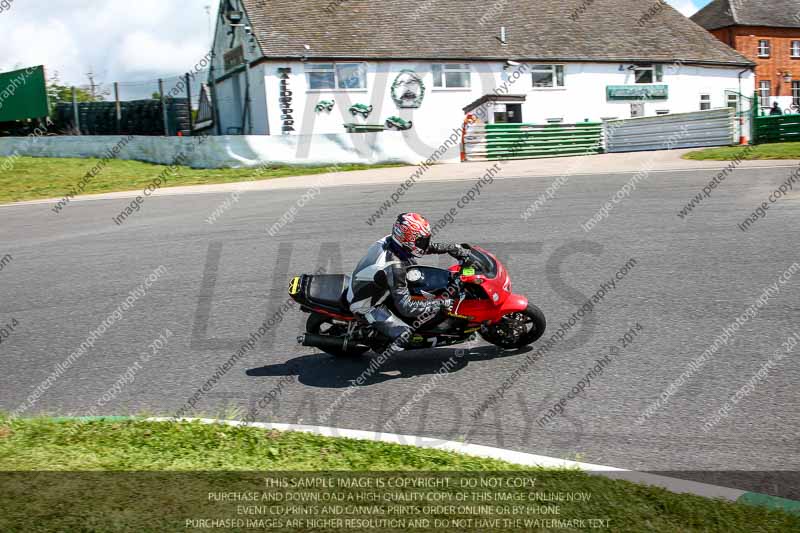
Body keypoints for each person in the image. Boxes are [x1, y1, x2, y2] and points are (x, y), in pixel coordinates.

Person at [347, 213, 471, 353]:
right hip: (365, 304)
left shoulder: (393, 241)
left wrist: (451, 248)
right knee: (405, 336)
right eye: (421, 241)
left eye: (424, 240)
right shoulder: (395, 266)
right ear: (407, 240)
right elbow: (407, 307)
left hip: (376, 284)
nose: (424, 243)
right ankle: (377, 339)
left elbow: (424, 248)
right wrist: (441, 303)